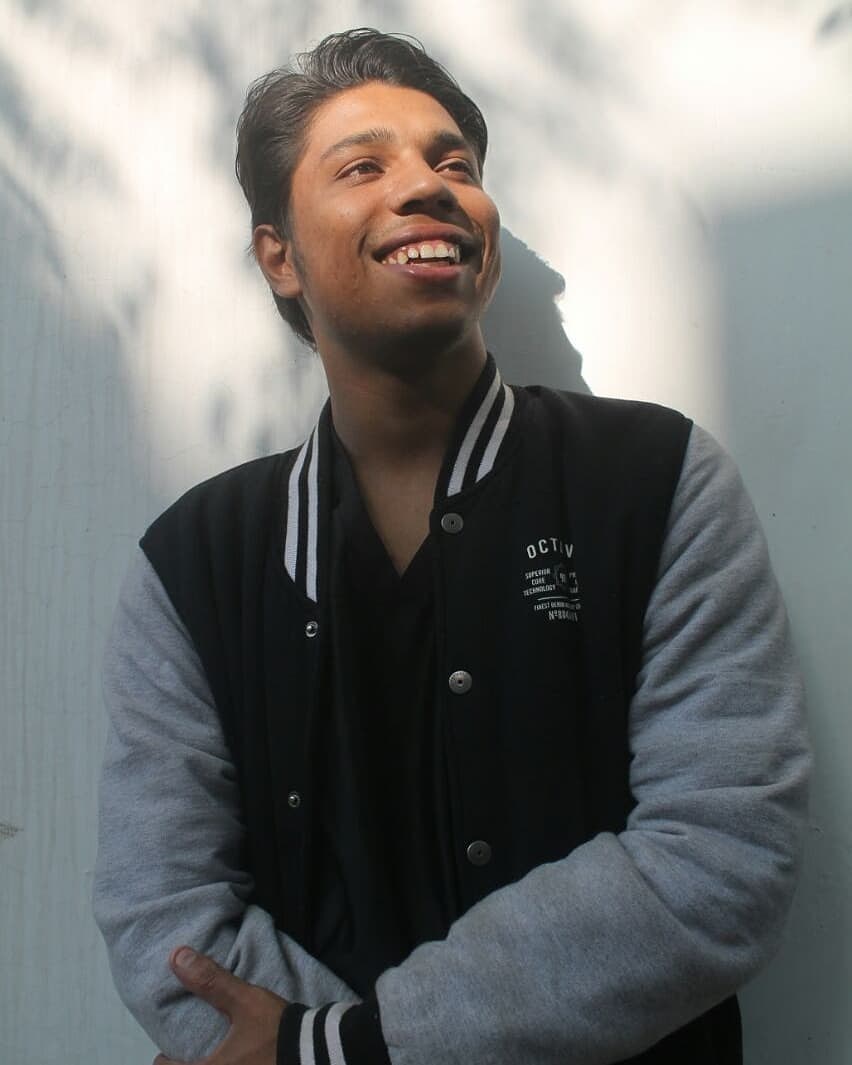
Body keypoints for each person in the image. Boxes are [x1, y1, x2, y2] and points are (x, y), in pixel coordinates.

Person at [93, 28, 811, 1065]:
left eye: (457, 165)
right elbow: (162, 913)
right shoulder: (193, 564)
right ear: (279, 255)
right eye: (363, 167)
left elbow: (722, 859)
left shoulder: (657, 482)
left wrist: (338, 1048)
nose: (431, 187)